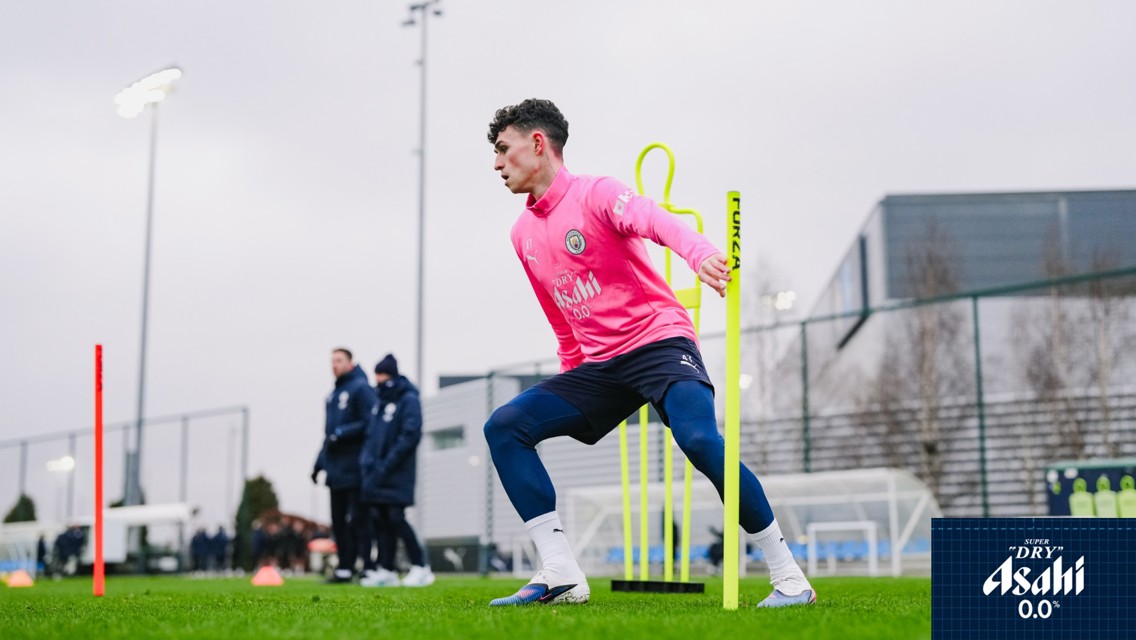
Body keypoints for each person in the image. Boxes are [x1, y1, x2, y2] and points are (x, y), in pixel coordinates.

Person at [482, 99, 815, 608]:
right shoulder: (521, 233)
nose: (497, 164)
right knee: (505, 426)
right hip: (600, 368)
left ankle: (789, 576)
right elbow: (559, 315)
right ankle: (560, 572)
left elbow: (655, 220)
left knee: (700, 441)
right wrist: (573, 378)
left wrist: (701, 254)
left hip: (658, 343)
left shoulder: (598, 193)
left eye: (503, 150)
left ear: (537, 144)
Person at [359, 354, 435, 588]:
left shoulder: (408, 399)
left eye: (382, 374)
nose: (378, 379)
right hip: (376, 473)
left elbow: (410, 434)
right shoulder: (378, 402)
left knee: (396, 518)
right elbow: (371, 438)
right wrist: (368, 464)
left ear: (391, 375)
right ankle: (387, 569)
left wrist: (388, 463)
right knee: (380, 520)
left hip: (397, 472)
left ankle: (421, 566)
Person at [312, 347, 378, 583]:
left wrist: (344, 432)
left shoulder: (361, 389)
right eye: (332, 361)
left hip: (355, 467)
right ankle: (344, 567)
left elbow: (371, 421)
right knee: (338, 521)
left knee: (360, 519)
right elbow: (328, 435)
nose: (334, 365)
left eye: (339, 360)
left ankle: (369, 566)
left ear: (350, 363)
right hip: (335, 470)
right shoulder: (332, 395)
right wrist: (318, 464)